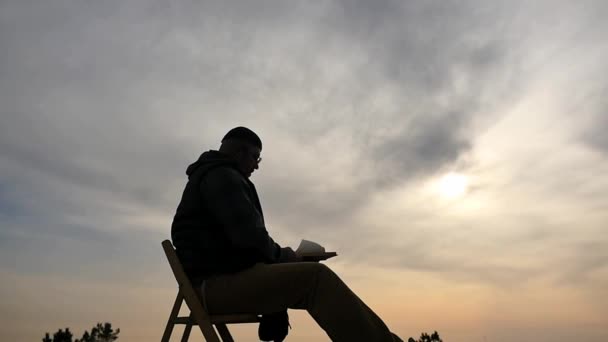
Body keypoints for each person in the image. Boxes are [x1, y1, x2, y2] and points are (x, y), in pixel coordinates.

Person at [171, 126, 403, 342]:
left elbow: (240, 244)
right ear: (241, 152)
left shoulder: (212, 176)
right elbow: (250, 239)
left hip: (214, 283)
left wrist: (283, 259)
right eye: (256, 157)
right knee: (315, 278)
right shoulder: (222, 177)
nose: (257, 165)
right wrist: (286, 257)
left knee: (312, 278)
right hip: (213, 289)